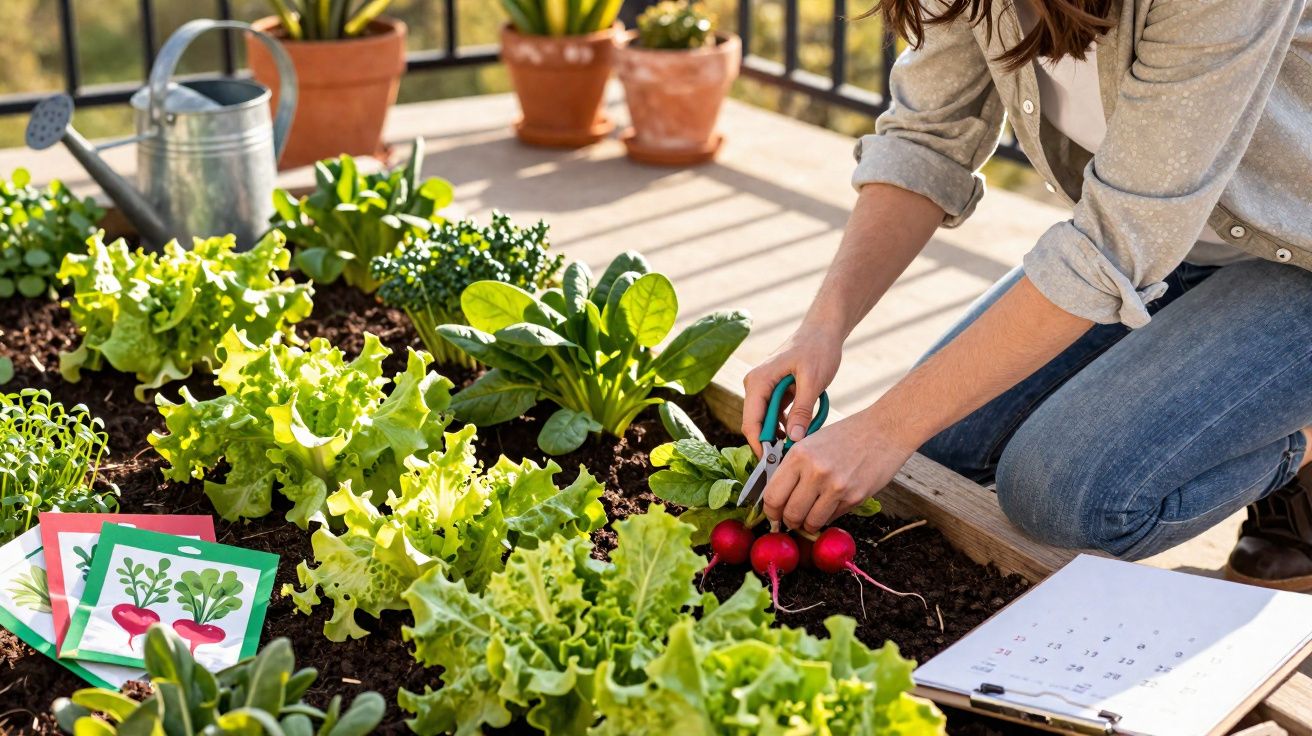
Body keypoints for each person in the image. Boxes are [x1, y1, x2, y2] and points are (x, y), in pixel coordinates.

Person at [743, 0, 1312, 591]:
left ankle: (1297, 437)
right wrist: (821, 329)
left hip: (1298, 254)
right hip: (1171, 249)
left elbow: (1113, 244)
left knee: (1064, 498)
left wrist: (884, 429)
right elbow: (927, 139)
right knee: (936, 450)